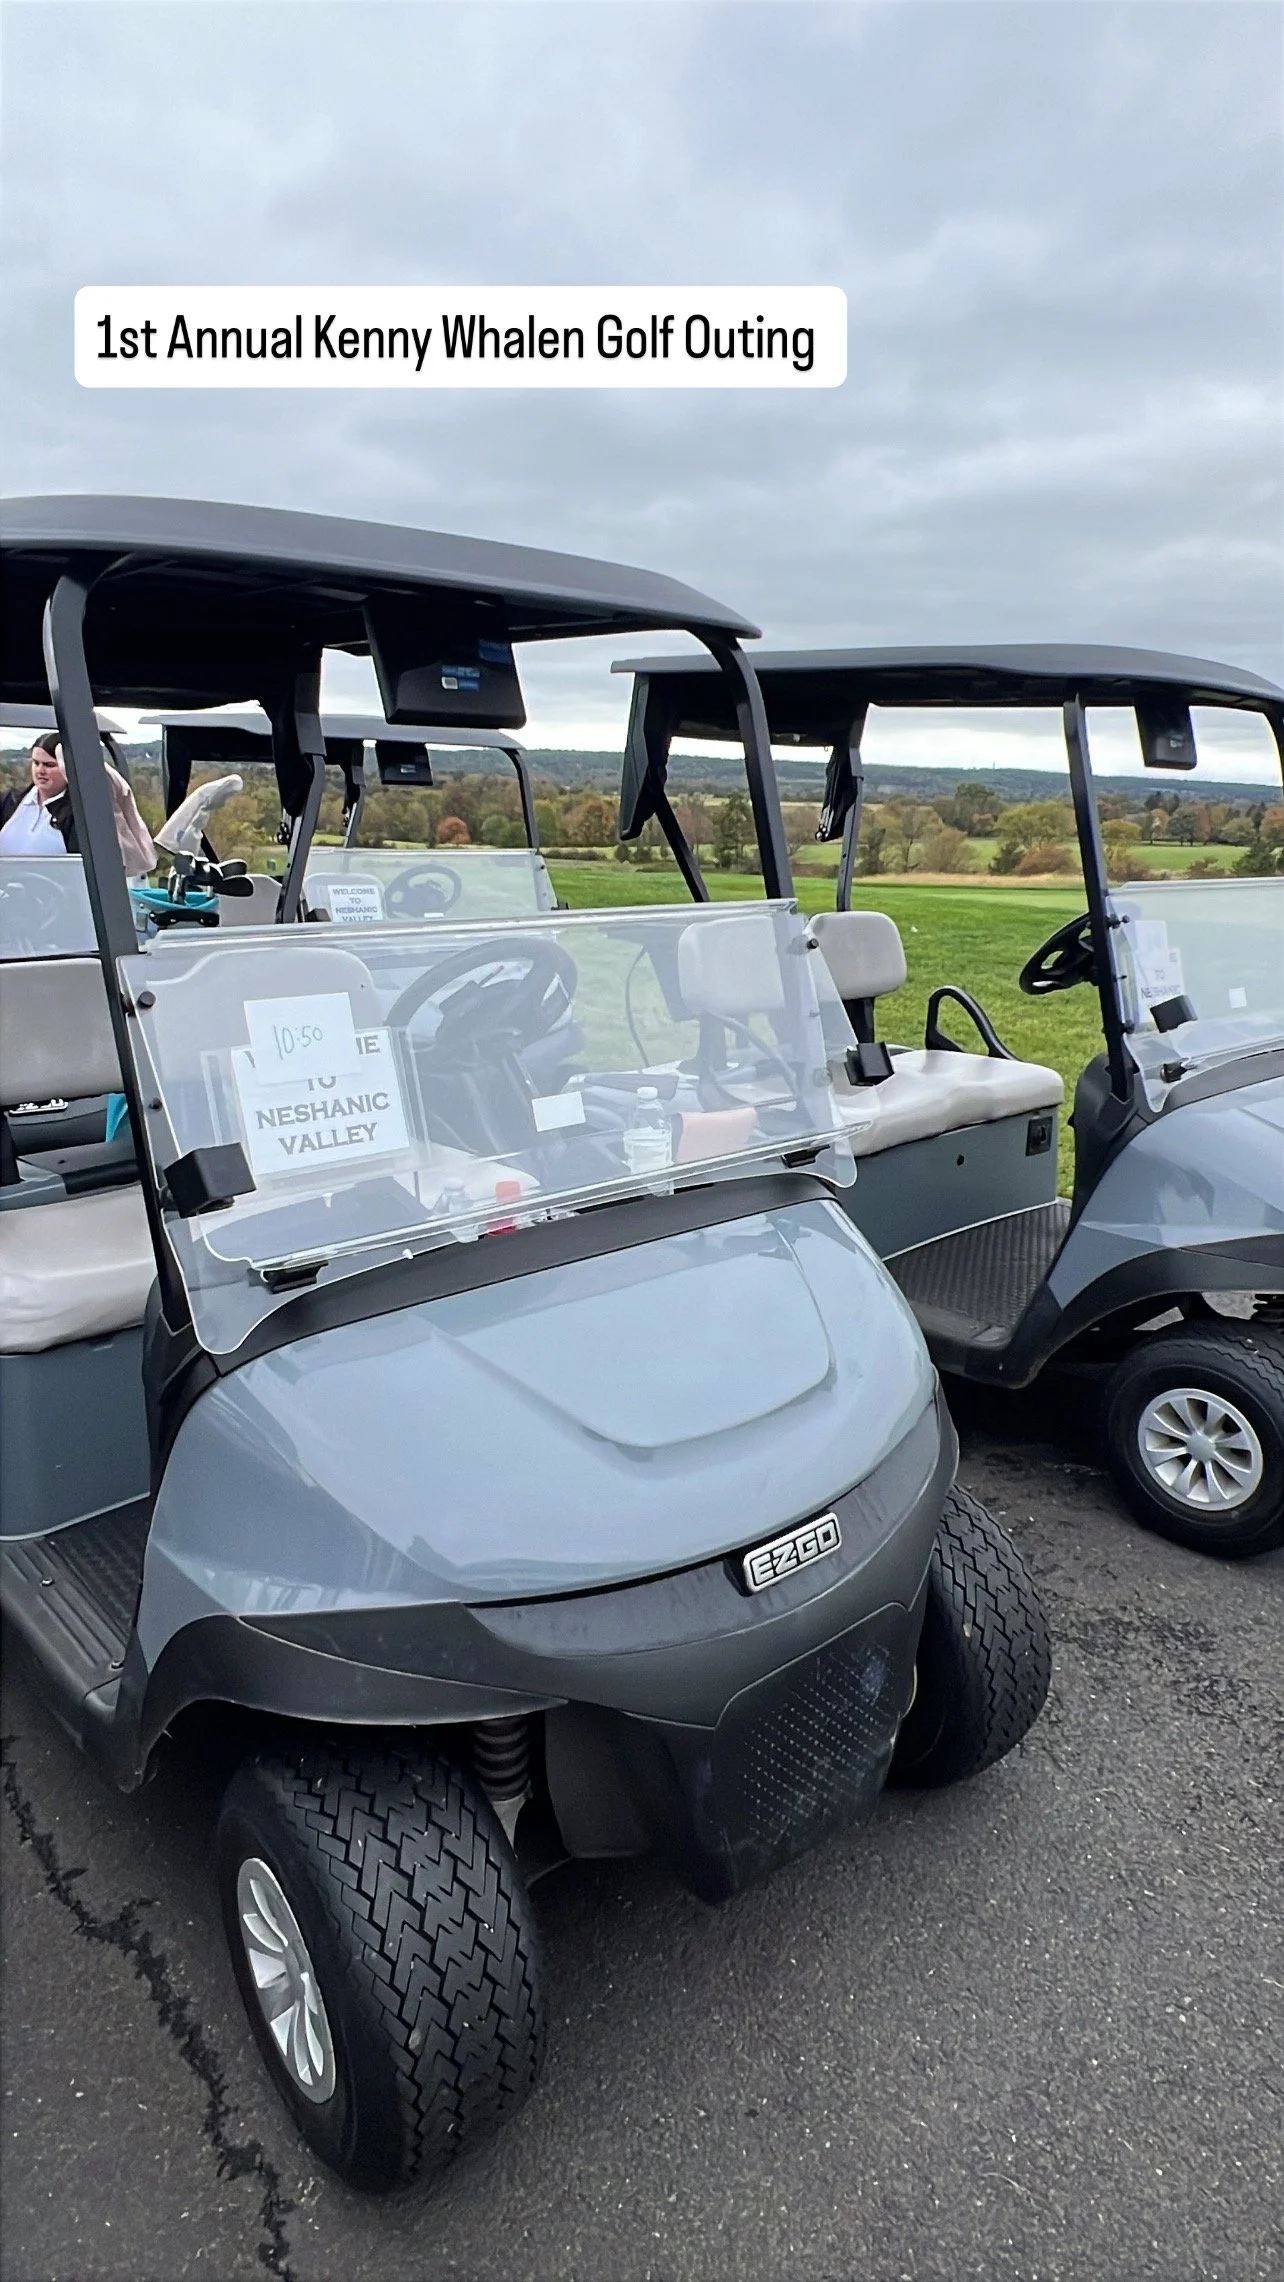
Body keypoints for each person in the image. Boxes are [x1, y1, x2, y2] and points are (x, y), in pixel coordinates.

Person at [0, 732, 155, 875]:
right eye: (36, 763)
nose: (40, 771)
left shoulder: (79, 813)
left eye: (49, 765)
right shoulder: (10, 801)